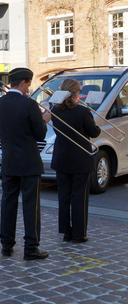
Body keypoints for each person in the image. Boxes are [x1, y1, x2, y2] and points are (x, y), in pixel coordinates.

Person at [0, 67, 49, 260]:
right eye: (28, 85)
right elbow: (39, 134)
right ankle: (31, 247)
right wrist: (45, 119)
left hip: (8, 161)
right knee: (30, 204)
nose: (28, 89)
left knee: (8, 202)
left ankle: (6, 245)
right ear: (23, 83)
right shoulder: (29, 104)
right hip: (29, 161)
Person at [51, 79, 101, 243]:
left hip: (61, 157)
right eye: (79, 91)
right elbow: (94, 133)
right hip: (80, 158)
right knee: (79, 196)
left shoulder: (54, 110)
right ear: (75, 92)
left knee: (64, 196)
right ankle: (79, 233)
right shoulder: (82, 111)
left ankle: (66, 232)